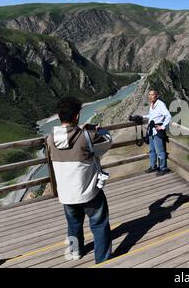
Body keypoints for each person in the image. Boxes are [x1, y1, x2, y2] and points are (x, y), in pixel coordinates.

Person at [46, 97, 113, 264]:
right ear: (76, 116)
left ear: (59, 116)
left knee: (73, 225)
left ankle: (75, 253)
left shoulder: (49, 139)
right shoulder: (87, 136)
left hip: (66, 194)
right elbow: (108, 142)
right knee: (99, 224)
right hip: (89, 192)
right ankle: (102, 259)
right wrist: (99, 130)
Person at [143, 89, 172, 176]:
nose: (150, 96)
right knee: (152, 150)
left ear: (157, 95)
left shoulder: (160, 104)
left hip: (157, 131)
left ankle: (163, 168)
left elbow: (168, 116)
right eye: (149, 95)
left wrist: (162, 126)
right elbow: (151, 116)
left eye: (152, 95)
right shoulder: (152, 104)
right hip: (151, 131)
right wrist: (142, 116)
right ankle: (153, 166)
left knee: (160, 151)